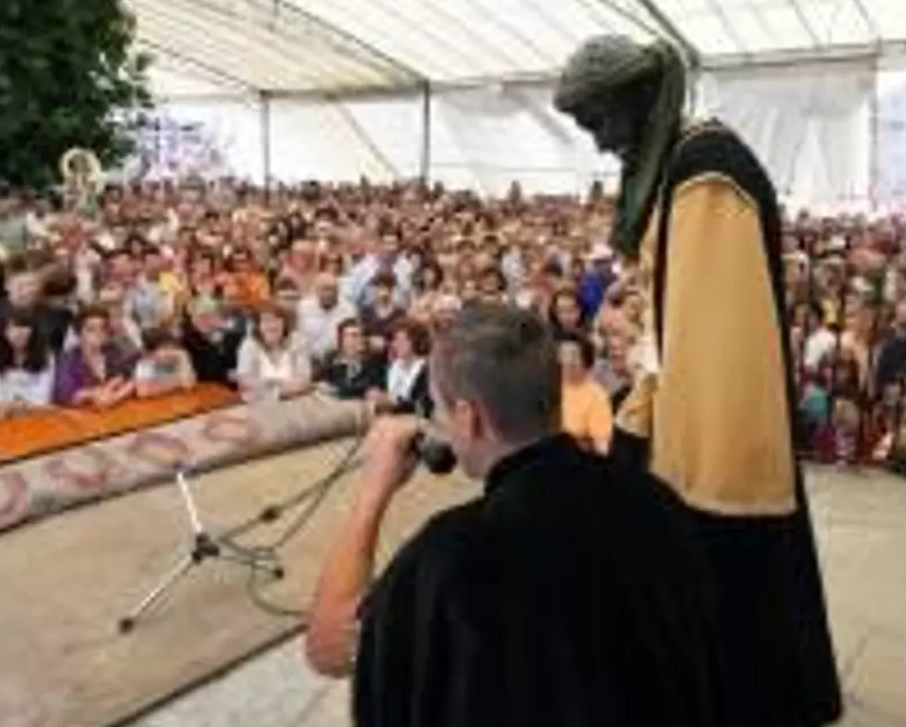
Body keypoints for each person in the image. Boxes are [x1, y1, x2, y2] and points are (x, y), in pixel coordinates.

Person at [553, 35, 841, 726]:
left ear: (639, 98)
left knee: (728, 617)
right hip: (683, 413)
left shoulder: (704, 171)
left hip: (712, 445)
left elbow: (710, 345)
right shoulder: (682, 164)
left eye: (599, 121)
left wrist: (651, 439)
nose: (600, 143)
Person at [304, 303, 732, 727]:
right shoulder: (654, 499)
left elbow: (328, 646)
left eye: (437, 406)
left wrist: (372, 491)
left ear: (468, 418)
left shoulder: (452, 554)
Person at [559, 331, 613, 454]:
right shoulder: (547, 388)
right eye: (563, 355)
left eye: (573, 356)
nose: (567, 361)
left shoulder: (596, 397)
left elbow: (601, 447)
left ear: (586, 360)